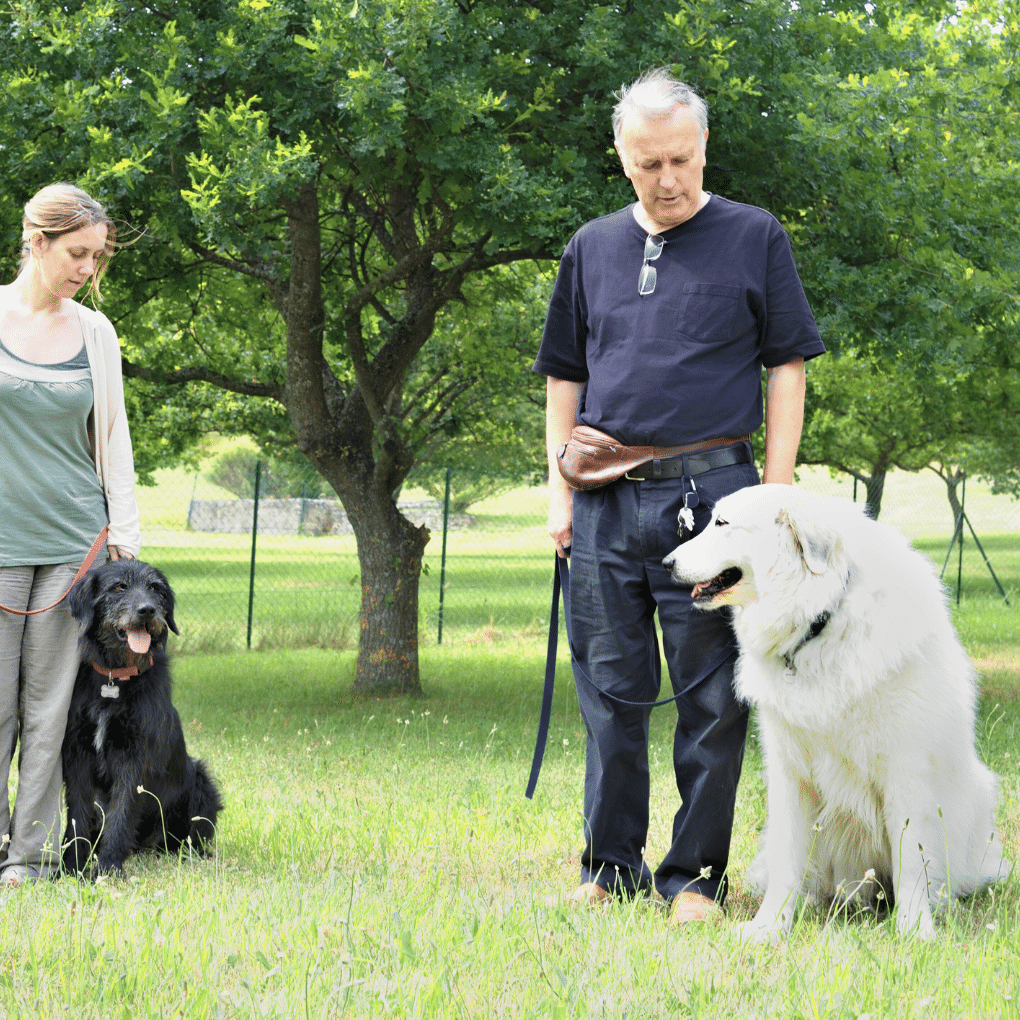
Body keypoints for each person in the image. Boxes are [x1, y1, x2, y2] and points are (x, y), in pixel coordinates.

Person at [533, 69, 826, 925]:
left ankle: (694, 875)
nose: (667, 180)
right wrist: (558, 491)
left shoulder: (755, 236)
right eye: (648, 163)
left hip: (718, 498)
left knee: (710, 695)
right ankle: (609, 864)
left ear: (704, 148)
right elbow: (565, 374)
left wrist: (775, 492)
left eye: (682, 160)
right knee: (611, 691)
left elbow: (788, 366)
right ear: (622, 158)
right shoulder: (590, 246)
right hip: (601, 501)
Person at [0, 183, 141, 886]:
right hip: (1, 549)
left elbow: (113, 441)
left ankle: (27, 857)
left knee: (49, 710)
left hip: (75, 549)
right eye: (77, 254)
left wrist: (126, 540)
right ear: (37, 242)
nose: (87, 269)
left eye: (96, 257)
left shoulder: (95, 333)